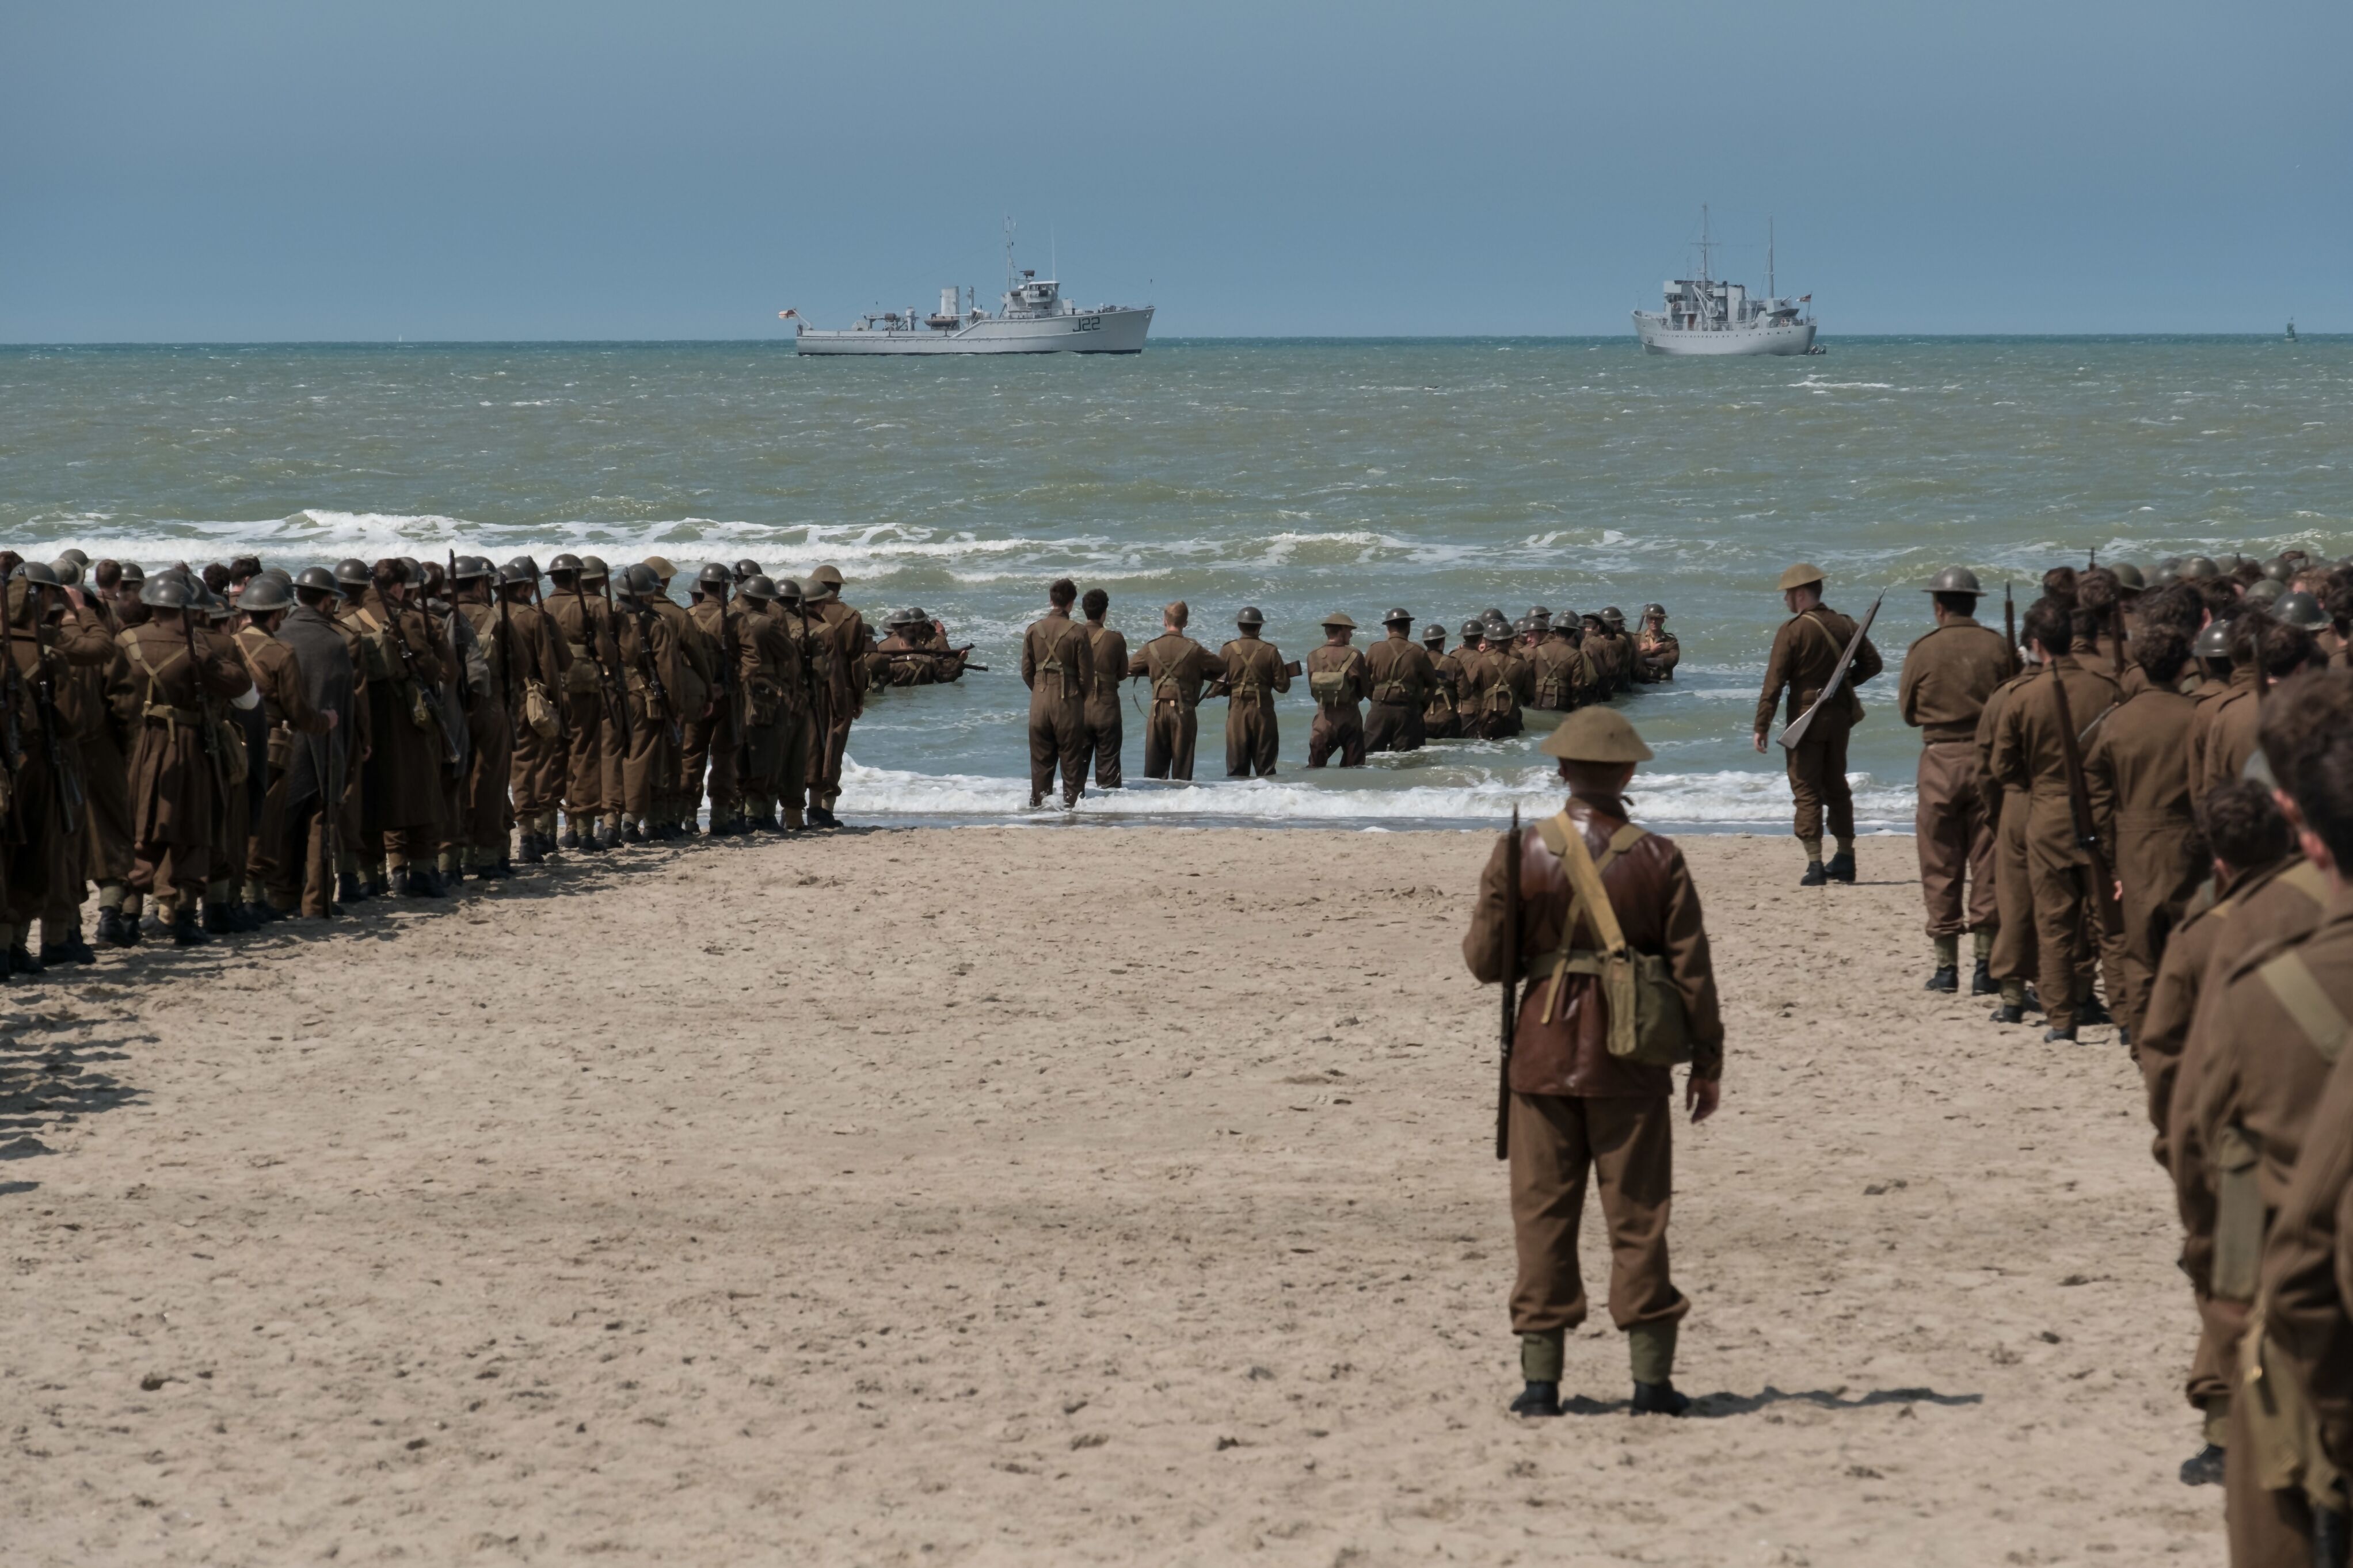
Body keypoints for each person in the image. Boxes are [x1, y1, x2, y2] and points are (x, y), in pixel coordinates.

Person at [1461, 707, 1724, 1420]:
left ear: (1560, 771)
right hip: (1631, 1055)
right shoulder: (1659, 855)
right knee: (1638, 1215)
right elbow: (1690, 970)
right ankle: (1650, 1383)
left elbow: (1486, 964)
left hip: (1540, 1055)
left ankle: (1540, 1383)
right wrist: (1707, 1060)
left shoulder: (1521, 848)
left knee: (1541, 1216)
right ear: (1629, 772)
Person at [2182, 673, 2353, 1561]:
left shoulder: (2259, 992)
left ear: (2304, 826)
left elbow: (2204, 1172)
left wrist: (2229, 1304)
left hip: (2300, 1351)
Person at [2137, 781, 2310, 1490]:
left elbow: (2165, 1057)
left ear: (2215, 861)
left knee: (2227, 1281)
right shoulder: (2321, 914)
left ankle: (2219, 1428)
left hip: (2231, 1138)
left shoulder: (2202, 936)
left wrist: (2175, 1147)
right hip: (2314, 1124)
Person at [1990, 597, 2122, 1041]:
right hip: (2101, 809)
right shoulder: (2107, 688)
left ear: (2036, 645)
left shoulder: (2023, 695)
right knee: (2109, 923)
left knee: (2054, 922)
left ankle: (2062, 1019)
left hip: (2046, 812)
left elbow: (2003, 768)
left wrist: (2042, 780)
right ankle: (2126, 1017)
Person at [117, 573, 260, 945]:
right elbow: (245, 690)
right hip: (189, 746)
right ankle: (182, 918)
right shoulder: (198, 650)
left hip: (141, 747)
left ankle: (127, 918)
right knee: (193, 831)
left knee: (141, 831)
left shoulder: (126, 640)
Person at [1897, 567, 2016, 991]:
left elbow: (1909, 713)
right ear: (1974, 603)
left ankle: (1946, 969)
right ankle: (1985, 967)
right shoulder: (1998, 646)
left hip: (1940, 762)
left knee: (1939, 864)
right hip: (1989, 762)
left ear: (1939, 606)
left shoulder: (1923, 649)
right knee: (1988, 864)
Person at [2083, 624, 2203, 1043]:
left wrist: (2108, 859)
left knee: (2139, 953)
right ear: (2183, 668)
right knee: (2190, 946)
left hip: (2133, 845)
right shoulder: (2199, 716)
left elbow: (2098, 798)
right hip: (2192, 843)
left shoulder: (2117, 723)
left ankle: (2139, 1033)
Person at [1753, 563, 1883, 885]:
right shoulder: (1846, 625)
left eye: (1787, 594)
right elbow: (1873, 664)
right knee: (1836, 784)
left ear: (1800, 595)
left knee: (1806, 788)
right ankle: (1846, 857)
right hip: (1839, 716)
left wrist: (1762, 725)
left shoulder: (1793, 630)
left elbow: (1774, 683)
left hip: (1805, 717)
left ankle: (1814, 864)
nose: (1785, 600)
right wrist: (1844, 683)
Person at [227, 574, 336, 915]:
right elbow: (299, 712)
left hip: (228, 743)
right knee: (263, 823)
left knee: (231, 819)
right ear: (276, 615)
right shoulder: (281, 652)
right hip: (270, 747)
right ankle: (254, 899)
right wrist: (325, 721)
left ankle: (227, 897)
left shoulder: (227, 645)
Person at [271, 567, 358, 917]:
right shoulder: (334, 642)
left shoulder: (277, 634)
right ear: (326, 600)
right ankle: (316, 901)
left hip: (282, 745)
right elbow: (347, 704)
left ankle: (280, 897)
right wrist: (348, 749)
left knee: (282, 825)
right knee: (319, 828)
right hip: (323, 745)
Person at [733, 576, 809, 831]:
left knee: (737, 752)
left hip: (735, 693)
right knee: (766, 752)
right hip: (763, 696)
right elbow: (788, 655)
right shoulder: (765, 624)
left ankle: (736, 810)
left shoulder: (728, 617)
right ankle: (758, 812)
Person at [803, 564, 870, 828]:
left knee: (803, 747)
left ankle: (794, 807)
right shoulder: (851, 617)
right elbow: (856, 662)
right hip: (840, 691)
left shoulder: (798, 614)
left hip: (804, 689)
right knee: (832, 750)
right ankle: (824, 810)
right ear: (838, 588)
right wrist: (858, 698)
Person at [1020, 578, 1095, 808]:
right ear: (1071, 604)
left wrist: (1041, 691)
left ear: (1051, 600)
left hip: (1040, 703)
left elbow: (1026, 672)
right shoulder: (1078, 632)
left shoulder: (1033, 630)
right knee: (1071, 765)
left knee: (1041, 765)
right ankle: (1070, 811)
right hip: (1067, 702)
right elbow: (1087, 677)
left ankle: (1040, 809)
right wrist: (1076, 697)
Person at [1127, 600, 1223, 780]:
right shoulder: (1194, 649)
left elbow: (1131, 666)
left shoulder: (1151, 647)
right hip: (1183, 709)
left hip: (1157, 709)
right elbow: (1221, 666)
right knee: (1182, 771)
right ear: (1185, 623)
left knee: (1154, 774)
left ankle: (1155, 805)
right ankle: (1180, 806)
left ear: (1165, 621)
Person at [682, 563, 743, 835]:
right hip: (727, 697)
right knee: (724, 757)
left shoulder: (686, 616)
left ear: (700, 587)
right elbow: (750, 659)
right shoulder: (735, 617)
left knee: (690, 756)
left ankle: (688, 817)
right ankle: (719, 817)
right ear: (727, 587)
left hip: (695, 698)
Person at [1218, 606, 1289, 778]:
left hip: (1237, 713)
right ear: (1259, 627)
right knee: (1266, 771)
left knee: (1236, 770)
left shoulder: (1228, 650)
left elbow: (1220, 686)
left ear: (1240, 626)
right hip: (1263, 714)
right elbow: (1283, 686)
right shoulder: (1270, 650)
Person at [1362, 608, 1435, 753]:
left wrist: (1376, 699)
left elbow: (1364, 681)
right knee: (1406, 760)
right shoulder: (1418, 652)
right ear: (1408, 627)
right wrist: (1421, 707)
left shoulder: (1374, 650)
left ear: (1388, 628)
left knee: (1369, 756)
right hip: (1408, 713)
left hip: (1379, 711)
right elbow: (1432, 684)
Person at [1304, 612, 1370, 768]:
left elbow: (1313, 691)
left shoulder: (1313, 656)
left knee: (1314, 769)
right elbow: (1364, 690)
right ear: (1341, 631)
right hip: (1350, 719)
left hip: (1323, 720)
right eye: (1349, 631)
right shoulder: (1356, 655)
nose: (1351, 635)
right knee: (1354, 770)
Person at [1079, 587, 1128, 789]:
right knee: (1109, 772)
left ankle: (1072, 814)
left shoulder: (1072, 635)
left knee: (1077, 771)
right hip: (1107, 710)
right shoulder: (1115, 639)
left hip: (1078, 710)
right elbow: (1123, 674)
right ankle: (1108, 815)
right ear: (1105, 612)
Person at [1420, 622, 1464, 740]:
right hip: (1448, 717)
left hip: (1424, 718)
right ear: (1442, 642)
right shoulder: (1453, 662)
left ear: (1425, 642)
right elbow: (1465, 693)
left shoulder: (1418, 662)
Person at [1632, 605, 1680, 684]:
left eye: (1657, 619)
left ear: (1662, 620)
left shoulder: (1671, 641)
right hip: (1643, 682)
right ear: (1646, 620)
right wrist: (1651, 651)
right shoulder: (1636, 639)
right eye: (1651, 618)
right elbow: (1632, 661)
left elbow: (1672, 661)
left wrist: (1644, 657)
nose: (1653, 621)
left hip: (1663, 684)